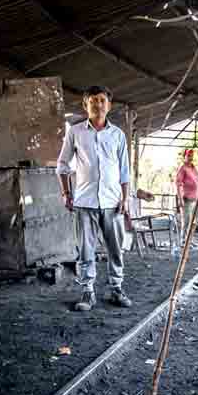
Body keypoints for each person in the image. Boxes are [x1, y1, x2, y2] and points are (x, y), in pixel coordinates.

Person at [57, 85, 133, 312]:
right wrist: (66, 193)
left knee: (115, 249)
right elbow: (62, 165)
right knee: (86, 250)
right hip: (84, 202)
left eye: (102, 100)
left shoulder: (118, 134)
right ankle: (87, 292)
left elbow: (124, 171)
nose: (98, 104)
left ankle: (116, 288)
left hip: (112, 201)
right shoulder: (75, 132)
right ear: (85, 105)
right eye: (93, 100)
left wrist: (125, 198)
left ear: (108, 105)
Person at [175, 148, 198, 233]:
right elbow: (178, 184)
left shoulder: (194, 168)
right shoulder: (182, 168)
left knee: (194, 222)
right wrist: (180, 199)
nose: (191, 158)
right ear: (184, 157)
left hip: (195, 200)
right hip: (186, 200)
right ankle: (183, 241)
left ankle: (189, 241)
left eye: (192, 156)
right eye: (189, 156)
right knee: (186, 222)